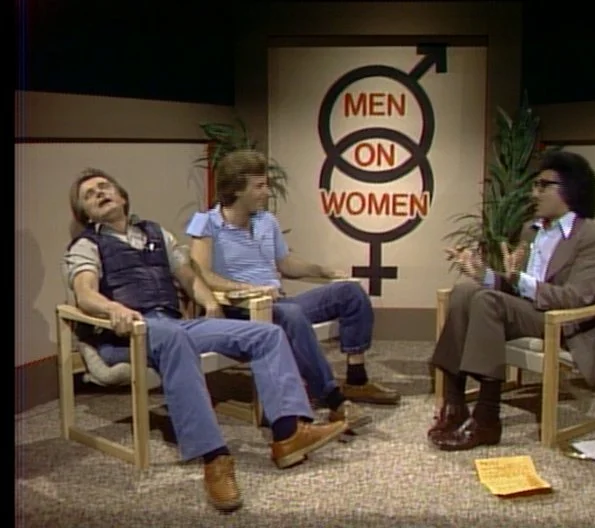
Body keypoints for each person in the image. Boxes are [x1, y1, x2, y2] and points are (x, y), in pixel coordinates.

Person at [63, 169, 348, 513]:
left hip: (175, 324)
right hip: (130, 332)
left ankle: (288, 433)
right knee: (173, 338)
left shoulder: (156, 233)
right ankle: (214, 457)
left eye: (104, 187)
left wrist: (211, 304)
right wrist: (113, 309)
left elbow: (188, 277)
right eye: (89, 195)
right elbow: (84, 293)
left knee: (267, 334)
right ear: (85, 213)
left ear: (122, 196)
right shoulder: (87, 245)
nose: (99, 193)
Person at [185, 149, 401, 424]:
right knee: (292, 314)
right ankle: (332, 398)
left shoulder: (266, 221)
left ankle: (356, 380)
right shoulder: (206, 223)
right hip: (241, 309)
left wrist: (322, 271)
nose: (267, 193)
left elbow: (285, 263)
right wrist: (251, 289)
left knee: (350, 292)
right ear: (236, 189)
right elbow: (202, 274)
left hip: (279, 303)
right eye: (259, 186)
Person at [429, 151, 595, 451]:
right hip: (523, 311)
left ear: (570, 189)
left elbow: (577, 297)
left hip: (559, 321)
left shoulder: (592, 237)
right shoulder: (531, 230)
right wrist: (484, 275)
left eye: (543, 185)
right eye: (535, 185)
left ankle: (487, 417)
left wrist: (519, 281)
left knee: (487, 302)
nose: (534, 193)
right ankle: (455, 403)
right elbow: (515, 286)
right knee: (464, 292)